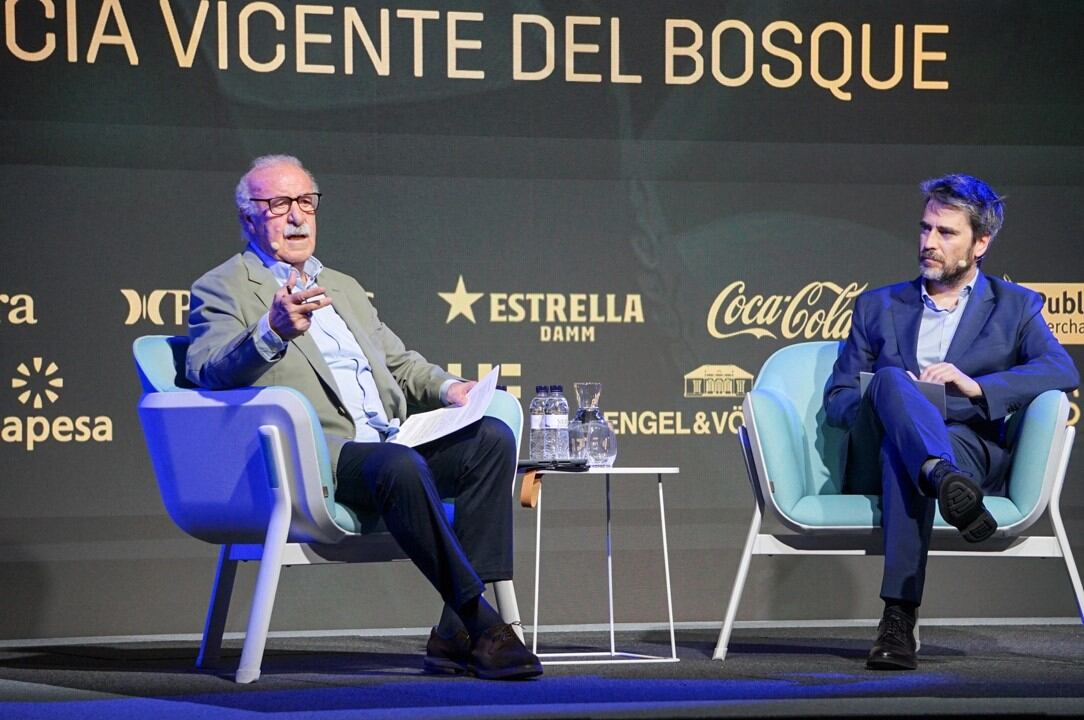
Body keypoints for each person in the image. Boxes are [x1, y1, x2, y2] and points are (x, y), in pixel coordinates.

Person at [186, 154, 542, 680]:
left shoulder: (344, 286)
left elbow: (396, 363)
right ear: (248, 218)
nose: (297, 217)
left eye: (306, 201)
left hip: (392, 439)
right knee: (397, 465)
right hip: (319, 458)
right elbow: (206, 371)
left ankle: (451, 632)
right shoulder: (224, 287)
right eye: (279, 203)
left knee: (489, 438)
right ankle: (481, 621)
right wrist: (271, 332)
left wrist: (452, 387)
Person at [824, 173, 1078, 670]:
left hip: (966, 445)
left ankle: (899, 617)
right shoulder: (877, 306)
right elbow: (837, 398)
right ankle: (937, 476)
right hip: (886, 449)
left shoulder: (1015, 306)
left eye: (946, 233)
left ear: (981, 242)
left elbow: (1060, 368)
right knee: (894, 384)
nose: (929, 243)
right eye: (925, 229)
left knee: (908, 457)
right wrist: (888, 402)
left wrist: (977, 386)